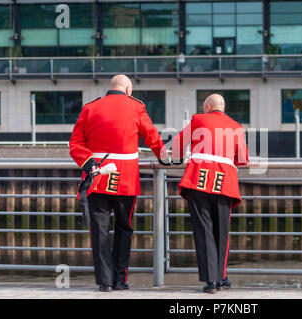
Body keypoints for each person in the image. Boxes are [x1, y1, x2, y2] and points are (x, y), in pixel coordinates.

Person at [69, 74, 171, 292]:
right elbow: (152, 136)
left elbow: (75, 142)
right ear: (128, 89)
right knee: (124, 229)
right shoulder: (136, 107)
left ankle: (105, 282)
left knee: (100, 231)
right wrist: (164, 158)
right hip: (125, 178)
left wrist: (89, 163)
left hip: (97, 177)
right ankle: (120, 279)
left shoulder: (90, 107)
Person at [171, 94, 248, 294]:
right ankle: (221, 277)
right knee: (222, 232)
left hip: (199, 178)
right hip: (225, 181)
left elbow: (178, 145)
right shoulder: (236, 126)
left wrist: (179, 158)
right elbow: (242, 158)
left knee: (204, 230)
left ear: (207, 106)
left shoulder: (198, 119)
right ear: (223, 107)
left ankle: (211, 281)